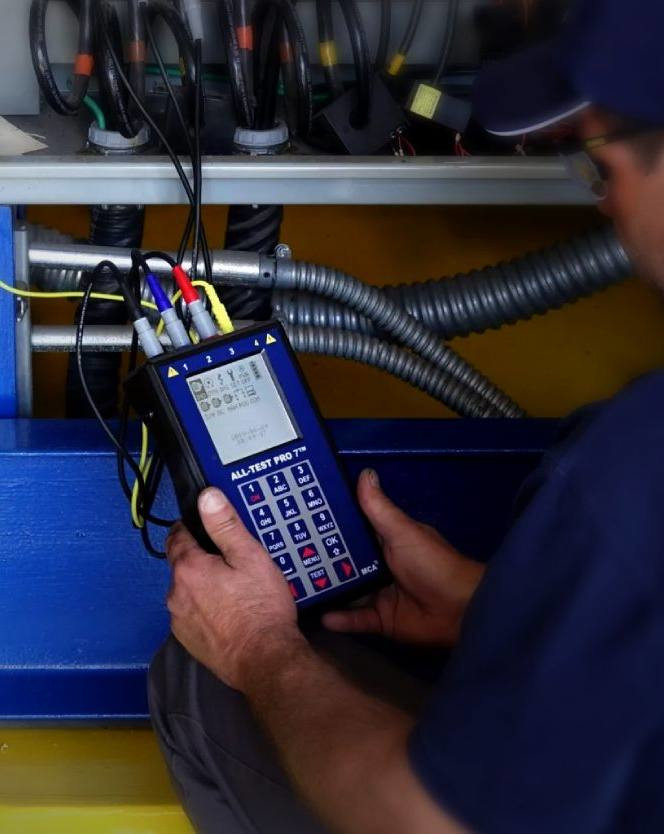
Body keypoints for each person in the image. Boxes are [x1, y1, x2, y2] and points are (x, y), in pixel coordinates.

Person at [149, 0, 664, 831]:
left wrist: (255, 647)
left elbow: (424, 820)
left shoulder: (632, 463)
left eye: (599, 164)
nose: (602, 203)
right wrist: (491, 608)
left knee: (204, 679)